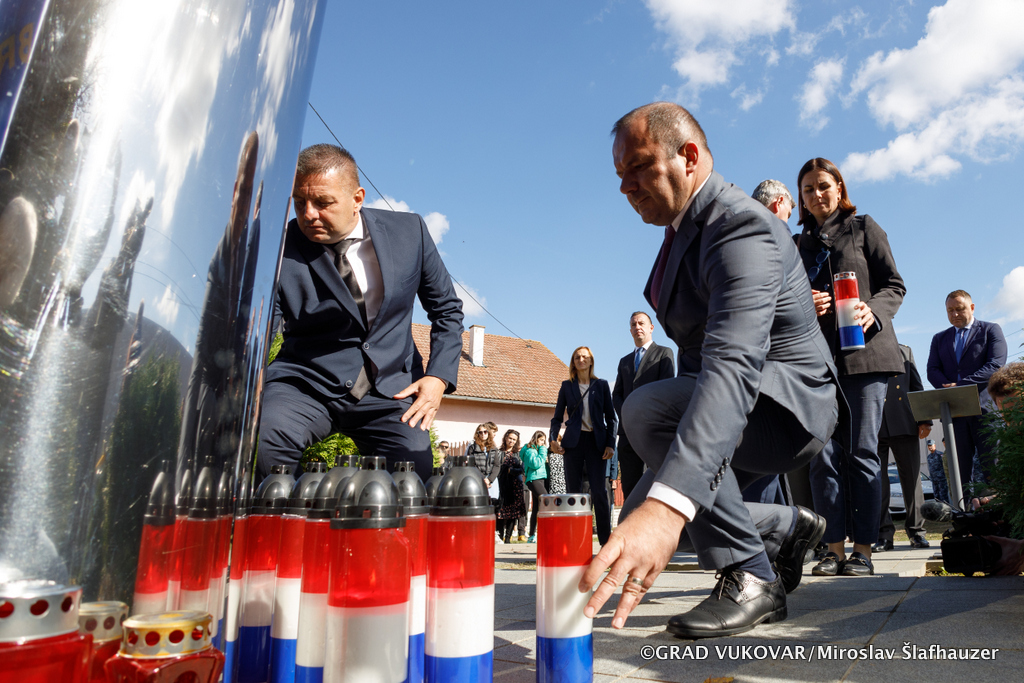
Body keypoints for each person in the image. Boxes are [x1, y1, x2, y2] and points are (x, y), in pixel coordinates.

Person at [581, 102, 836, 638]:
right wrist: (664, 503)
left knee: (645, 413)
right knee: (637, 521)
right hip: (727, 405)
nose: (625, 187)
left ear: (689, 157)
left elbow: (733, 365)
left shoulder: (741, 226)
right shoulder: (682, 232)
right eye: (619, 175)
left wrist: (671, 503)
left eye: (638, 167)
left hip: (783, 409)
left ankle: (752, 576)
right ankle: (787, 527)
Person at [256, 144, 464, 482]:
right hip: (305, 384)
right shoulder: (279, 247)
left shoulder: (410, 232)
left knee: (413, 477)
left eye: (323, 202)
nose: (308, 214)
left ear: (357, 198)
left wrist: (438, 377)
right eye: (299, 202)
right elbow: (262, 326)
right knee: (265, 444)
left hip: (392, 389)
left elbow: (447, 309)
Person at [795, 157, 906, 579]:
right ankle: (832, 548)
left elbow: (894, 285)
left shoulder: (864, 228)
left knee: (862, 454)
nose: (817, 194)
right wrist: (805, 301)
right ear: (801, 198)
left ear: (839, 188)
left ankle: (863, 549)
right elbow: (782, 302)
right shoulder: (796, 245)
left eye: (824, 185)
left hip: (866, 358)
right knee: (822, 458)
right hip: (816, 364)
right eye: (808, 189)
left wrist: (870, 310)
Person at [926, 290, 1007, 487]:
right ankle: (964, 506)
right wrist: (949, 389)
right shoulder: (939, 338)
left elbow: (995, 365)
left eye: (959, 309)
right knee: (959, 472)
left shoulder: (990, 330)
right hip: (954, 415)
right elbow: (932, 370)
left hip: (985, 411)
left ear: (971, 307)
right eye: (950, 310)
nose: (954, 314)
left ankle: (997, 505)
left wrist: (960, 385)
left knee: (993, 468)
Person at [550, 346, 617, 545]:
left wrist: (610, 444)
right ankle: (576, 540)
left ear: (591, 361)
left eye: (585, 357)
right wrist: (553, 439)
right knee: (574, 492)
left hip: (596, 443)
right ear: (573, 362)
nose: (581, 360)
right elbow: (556, 418)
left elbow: (611, 418)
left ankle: (606, 542)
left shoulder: (601, 385)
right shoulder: (566, 386)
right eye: (577, 357)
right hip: (573, 443)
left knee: (599, 492)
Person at [874, 344, 932, 551]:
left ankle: (917, 532)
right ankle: (883, 535)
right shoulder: (859, 350)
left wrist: (924, 419)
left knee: (912, 480)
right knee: (876, 482)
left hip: (903, 421)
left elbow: (916, 385)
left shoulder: (904, 351)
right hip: (873, 423)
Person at [612, 311, 675, 499]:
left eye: (641, 323)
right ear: (630, 330)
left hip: (652, 432)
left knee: (652, 486)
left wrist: (645, 415)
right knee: (630, 487)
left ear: (651, 327)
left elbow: (666, 390)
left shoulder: (664, 353)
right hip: (628, 434)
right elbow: (617, 395)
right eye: (633, 324)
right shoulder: (624, 361)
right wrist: (628, 415)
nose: (637, 327)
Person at [495, 429, 526, 543]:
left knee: (513, 513)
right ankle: (499, 536)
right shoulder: (498, 452)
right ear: (506, 438)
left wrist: (511, 471)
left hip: (515, 486)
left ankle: (508, 538)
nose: (511, 441)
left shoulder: (519, 454)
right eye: (510, 438)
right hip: (501, 485)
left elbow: (523, 469)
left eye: (514, 439)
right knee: (500, 511)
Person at [520, 431, 549, 542]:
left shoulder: (536, 450)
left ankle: (532, 535)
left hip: (540, 478)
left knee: (537, 507)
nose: (542, 443)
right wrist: (543, 451)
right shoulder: (530, 451)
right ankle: (545, 532)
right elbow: (535, 464)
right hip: (534, 479)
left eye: (544, 441)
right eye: (541, 440)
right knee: (547, 501)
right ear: (536, 439)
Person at [466, 423, 500, 502]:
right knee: (481, 502)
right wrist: (484, 479)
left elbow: (497, 465)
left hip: (492, 480)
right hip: (479, 479)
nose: (483, 434)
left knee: (493, 502)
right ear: (477, 434)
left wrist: (489, 479)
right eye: (480, 432)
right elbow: (472, 465)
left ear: (488, 433)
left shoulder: (493, 448)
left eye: (485, 432)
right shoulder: (472, 448)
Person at [926, 439, 950, 505]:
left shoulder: (940, 455)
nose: (930, 447)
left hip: (941, 480)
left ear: (934, 445)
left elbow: (944, 466)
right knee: (936, 497)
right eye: (928, 446)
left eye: (931, 445)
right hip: (934, 480)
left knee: (943, 497)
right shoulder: (929, 457)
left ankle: (946, 509)